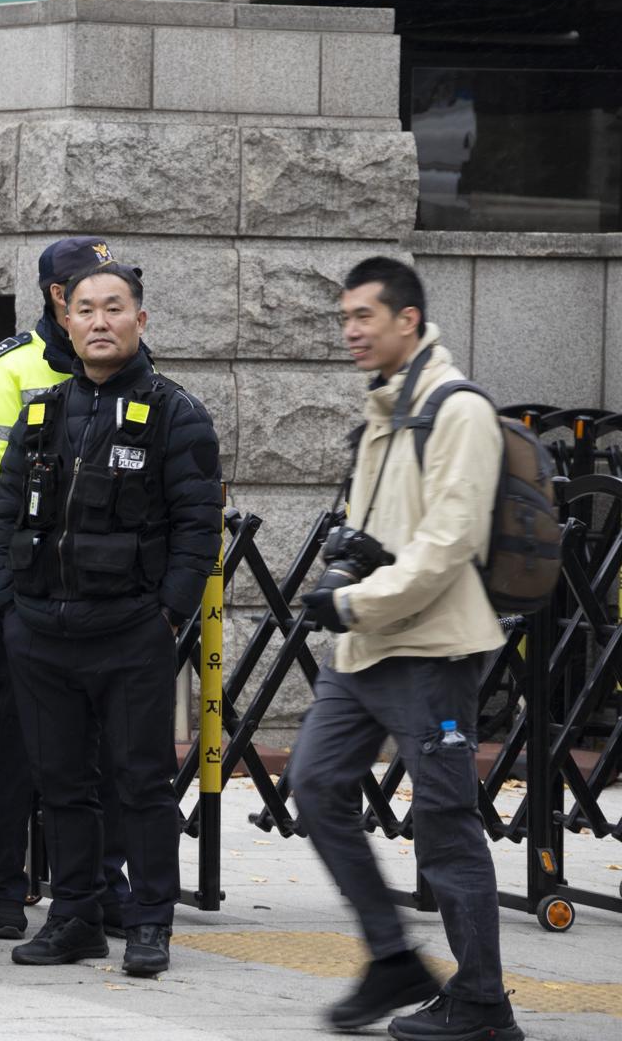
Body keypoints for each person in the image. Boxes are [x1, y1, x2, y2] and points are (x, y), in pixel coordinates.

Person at [289, 257, 524, 1040]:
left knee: (444, 822)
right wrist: (345, 568)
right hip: (363, 654)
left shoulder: (457, 411)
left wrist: (353, 600)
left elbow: (446, 544)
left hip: (431, 654)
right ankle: (393, 957)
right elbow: (375, 533)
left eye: (364, 316)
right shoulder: (383, 411)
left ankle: (484, 1003)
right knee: (317, 785)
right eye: (345, 317)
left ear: (409, 321)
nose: (350, 331)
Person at [0, 262, 221, 978]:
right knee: (62, 785)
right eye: (84, 309)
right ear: (65, 321)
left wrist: (167, 615)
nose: (97, 322)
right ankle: (75, 918)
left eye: (113, 308)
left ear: (140, 321)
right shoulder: (41, 411)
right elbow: (2, 518)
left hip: (130, 635)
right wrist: (8, 607)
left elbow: (198, 527)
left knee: (141, 784)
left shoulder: (176, 413)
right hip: (42, 634)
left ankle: (150, 923)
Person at [0, 237, 138, 941]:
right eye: (81, 292)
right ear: (56, 299)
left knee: (109, 746)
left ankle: (100, 885)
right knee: (23, 745)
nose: (98, 308)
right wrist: (1, 590)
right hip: (32, 590)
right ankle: (3, 887)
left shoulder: (126, 365)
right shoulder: (6, 371)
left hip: (107, 591)